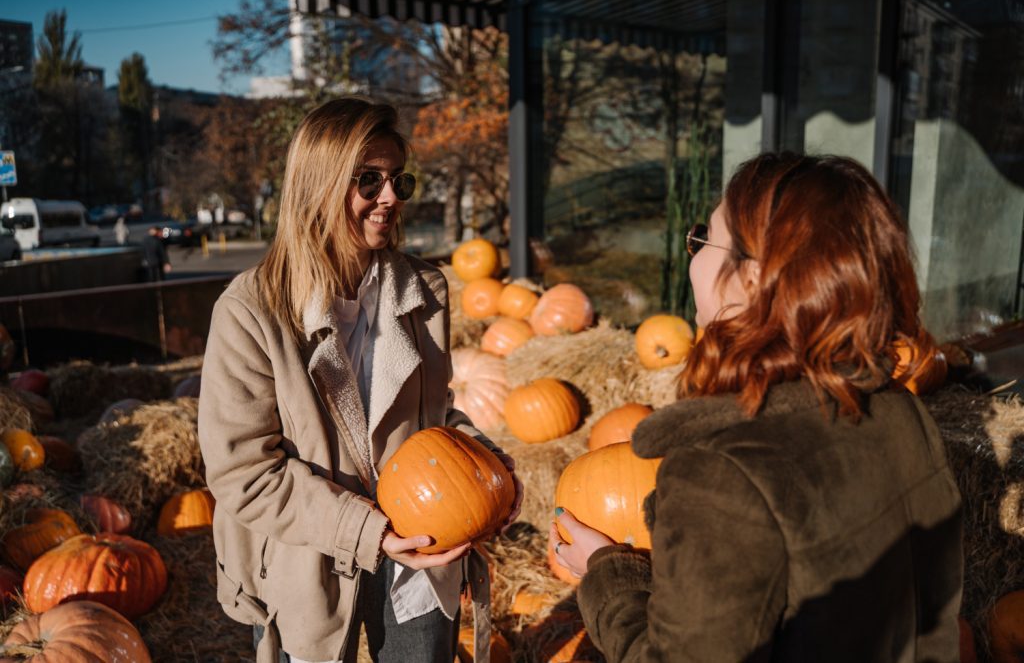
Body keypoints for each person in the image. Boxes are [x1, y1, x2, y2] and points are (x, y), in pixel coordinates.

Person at [550, 152, 963, 662]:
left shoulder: (723, 470)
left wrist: (609, 571)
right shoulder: (902, 412)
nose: (692, 255)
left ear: (752, 278)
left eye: (704, 239)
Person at [198, 97, 523, 663]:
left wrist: (483, 465)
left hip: (425, 544)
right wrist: (367, 531)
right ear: (317, 186)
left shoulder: (425, 291)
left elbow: (435, 417)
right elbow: (243, 472)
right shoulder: (251, 311)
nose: (390, 198)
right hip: (309, 549)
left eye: (399, 179)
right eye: (368, 181)